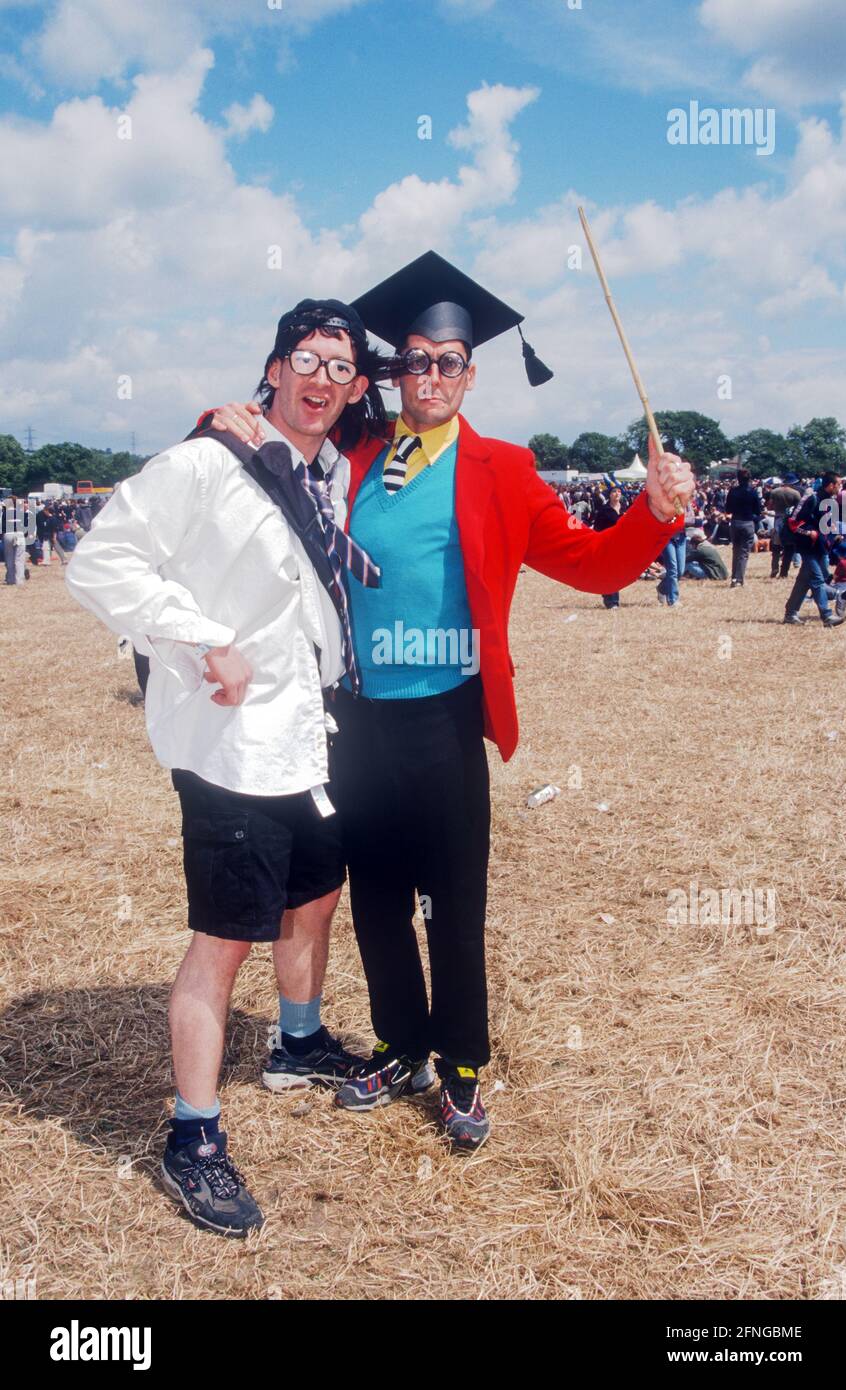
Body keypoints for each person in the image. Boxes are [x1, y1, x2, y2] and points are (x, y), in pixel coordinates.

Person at [202, 250, 695, 1152]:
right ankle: (400, 1044)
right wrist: (223, 415)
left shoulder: (501, 468)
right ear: (396, 371)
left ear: (471, 372)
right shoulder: (354, 451)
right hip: (354, 716)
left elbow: (590, 564)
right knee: (378, 898)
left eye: (448, 362)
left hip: (443, 715)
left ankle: (462, 1067)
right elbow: (279, 427)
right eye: (416, 360)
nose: (430, 376)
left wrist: (656, 516)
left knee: (452, 900)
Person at [67, 298, 391, 1236]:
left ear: (355, 387)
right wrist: (204, 640)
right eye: (308, 359)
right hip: (231, 748)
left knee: (311, 899)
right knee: (223, 940)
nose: (322, 378)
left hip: (309, 742)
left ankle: (296, 1044)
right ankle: (193, 1135)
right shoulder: (209, 460)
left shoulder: (322, 474)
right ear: (276, 367)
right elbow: (102, 562)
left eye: (340, 367)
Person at [782, 472, 846, 627]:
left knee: (803, 581)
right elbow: (793, 521)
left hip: (819, 547)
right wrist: (808, 532)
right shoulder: (812, 498)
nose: (840, 487)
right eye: (838, 484)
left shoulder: (829, 501)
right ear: (831, 485)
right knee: (817, 580)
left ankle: (790, 614)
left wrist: (832, 533)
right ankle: (827, 616)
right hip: (807, 547)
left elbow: (824, 523)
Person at [724, 467, 762, 586]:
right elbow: (758, 510)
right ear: (749, 478)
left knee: (736, 550)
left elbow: (728, 509)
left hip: (735, 522)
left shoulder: (733, 491)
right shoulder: (753, 492)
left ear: (738, 478)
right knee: (744, 552)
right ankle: (739, 579)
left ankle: (734, 578)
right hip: (747, 523)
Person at [593, 487, 623, 608]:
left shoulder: (625, 507)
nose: (617, 494)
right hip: (607, 544)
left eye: (619, 492)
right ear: (609, 495)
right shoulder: (604, 510)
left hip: (622, 544)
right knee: (611, 571)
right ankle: (612, 601)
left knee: (618, 573)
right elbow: (597, 528)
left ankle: (608, 595)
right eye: (614, 492)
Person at [767, 475, 801, 578]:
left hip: (778, 519)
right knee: (789, 546)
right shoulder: (795, 493)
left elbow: (769, 505)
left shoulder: (775, 492)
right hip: (790, 521)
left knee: (776, 547)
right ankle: (785, 571)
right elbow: (798, 508)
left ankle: (774, 568)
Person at [2, 495, 28, 586]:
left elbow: (2, 526)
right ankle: (19, 581)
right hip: (19, 534)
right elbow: (26, 525)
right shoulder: (21, 511)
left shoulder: (5, 512)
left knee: (9, 559)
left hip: (8, 534)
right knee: (19, 559)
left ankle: (10, 579)